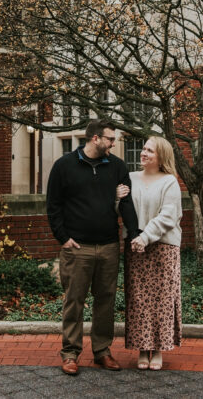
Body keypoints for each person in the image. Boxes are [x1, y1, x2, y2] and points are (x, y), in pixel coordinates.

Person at [46, 119, 139, 376]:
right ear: (95, 138)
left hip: (109, 245)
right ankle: (70, 354)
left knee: (106, 301)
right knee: (74, 301)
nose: (114, 142)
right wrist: (63, 238)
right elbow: (53, 206)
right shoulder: (64, 166)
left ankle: (102, 351)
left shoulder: (118, 166)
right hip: (78, 248)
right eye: (110, 138)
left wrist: (133, 233)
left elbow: (127, 202)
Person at [117, 135, 182, 371]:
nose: (143, 153)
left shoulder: (169, 182)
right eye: (143, 148)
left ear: (161, 156)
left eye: (149, 150)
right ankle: (142, 349)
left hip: (162, 247)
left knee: (161, 300)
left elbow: (168, 216)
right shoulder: (130, 179)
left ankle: (158, 350)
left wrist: (145, 236)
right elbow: (121, 208)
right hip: (135, 247)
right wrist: (116, 197)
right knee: (139, 301)